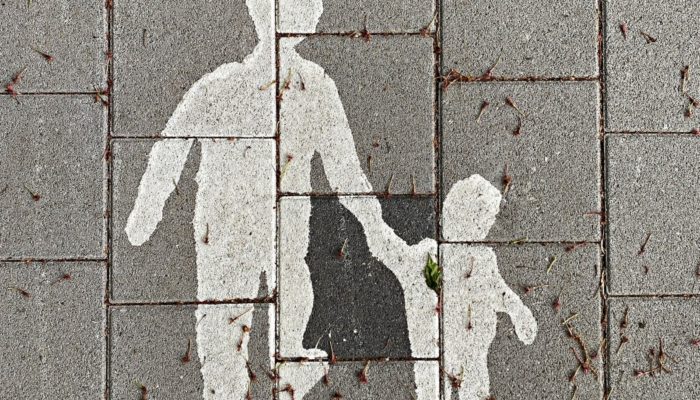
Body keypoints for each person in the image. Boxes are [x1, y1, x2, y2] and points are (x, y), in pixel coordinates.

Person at [124, 0, 437, 398]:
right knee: (246, 324)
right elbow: (346, 174)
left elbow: (172, 144)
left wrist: (147, 210)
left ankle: (282, 364)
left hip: (251, 231)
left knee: (267, 313)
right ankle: (274, 368)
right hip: (239, 231)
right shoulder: (291, 86)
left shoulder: (239, 85)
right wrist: (147, 209)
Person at [441, 174, 538, 400]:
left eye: (488, 221)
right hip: (454, 340)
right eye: (482, 220)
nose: (485, 228)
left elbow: (497, 289)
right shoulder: (446, 255)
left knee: (475, 388)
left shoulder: (484, 256)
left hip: (477, 347)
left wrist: (518, 311)